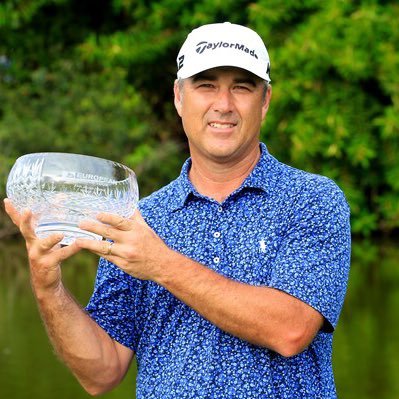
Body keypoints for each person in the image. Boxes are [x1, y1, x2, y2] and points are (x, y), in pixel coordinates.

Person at [4, 22, 351, 398]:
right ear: (179, 97)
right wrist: (47, 285)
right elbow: (101, 372)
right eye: (206, 85)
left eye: (242, 86)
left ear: (264, 101)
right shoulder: (138, 219)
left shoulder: (313, 199)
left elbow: (291, 330)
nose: (224, 103)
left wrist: (160, 263)